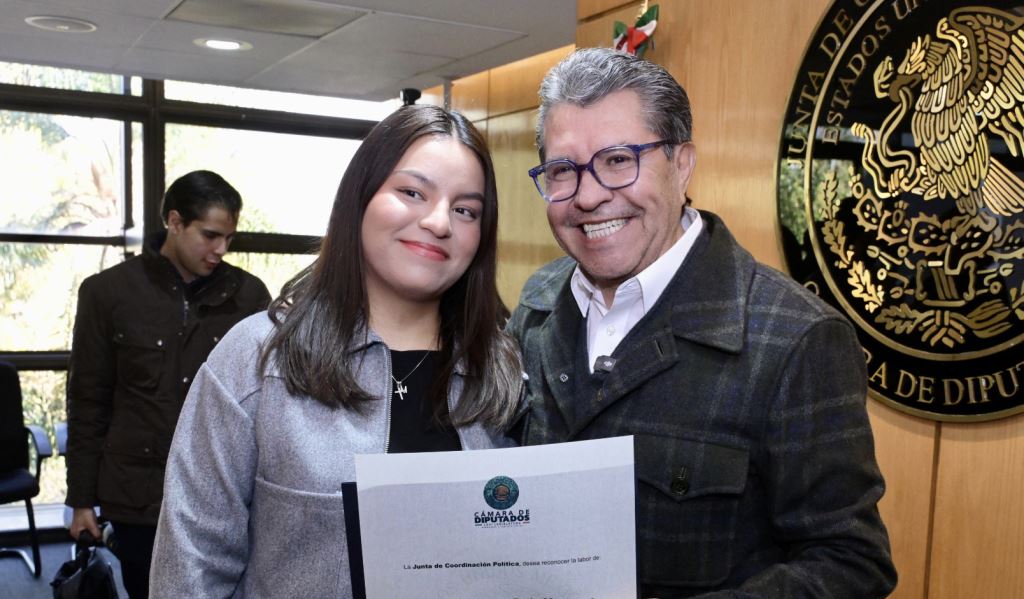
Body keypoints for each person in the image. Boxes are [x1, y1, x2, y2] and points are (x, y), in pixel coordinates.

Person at [507, 48, 897, 597]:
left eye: (619, 159)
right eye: (563, 170)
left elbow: (851, 564)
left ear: (682, 163)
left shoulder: (796, 338)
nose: (589, 196)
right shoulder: (537, 304)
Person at [148, 105, 522, 597]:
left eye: (465, 210)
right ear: (360, 198)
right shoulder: (258, 358)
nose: (438, 222)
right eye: (412, 192)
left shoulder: (501, 367)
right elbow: (189, 570)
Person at [64, 170, 271, 598]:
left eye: (229, 238)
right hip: (138, 494)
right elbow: (89, 400)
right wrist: (82, 500)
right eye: (210, 235)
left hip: (224, 490)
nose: (221, 249)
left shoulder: (250, 297)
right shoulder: (107, 293)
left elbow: (268, 403)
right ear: (175, 222)